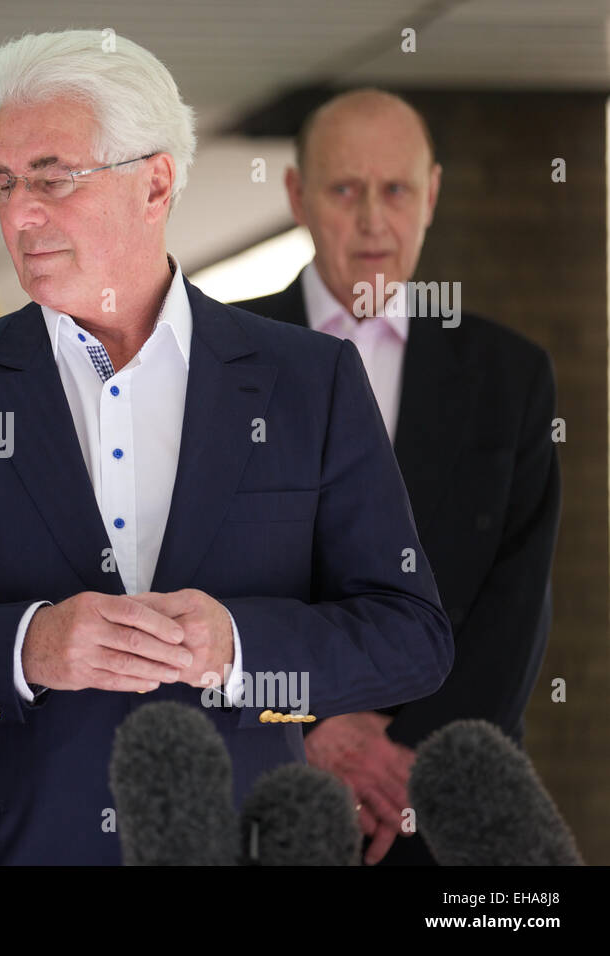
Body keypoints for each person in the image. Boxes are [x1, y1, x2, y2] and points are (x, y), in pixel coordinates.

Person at [0, 31, 454, 866]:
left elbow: (410, 635)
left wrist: (238, 647)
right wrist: (21, 647)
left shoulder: (308, 379)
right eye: (3, 182)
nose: (18, 213)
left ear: (156, 181)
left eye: (53, 178)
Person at [234, 88, 561, 865]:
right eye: (345, 188)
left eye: (397, 189)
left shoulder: (508, 375)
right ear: (297, 195)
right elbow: (196, 576)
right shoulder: (219, 357)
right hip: (267, 788)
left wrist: (402, 750)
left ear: (433, 194)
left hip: (445, 801)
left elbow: (517, 600)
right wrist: (311, 728)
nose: (373, 218)